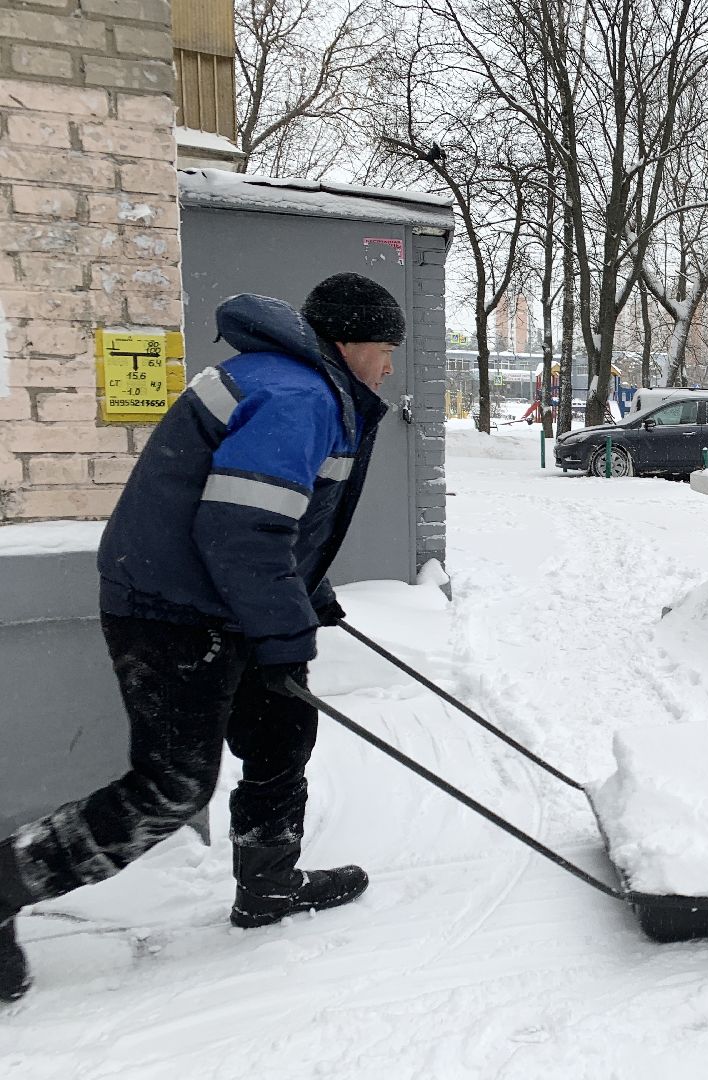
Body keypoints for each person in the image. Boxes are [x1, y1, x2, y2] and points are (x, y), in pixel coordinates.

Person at [0, 273, 405, 1004]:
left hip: (214, 598)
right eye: (386, 350)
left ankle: (270, 885)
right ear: (351, 343)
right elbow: (239, 529)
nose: (389, 367)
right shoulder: (300, 394)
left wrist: (299, 591)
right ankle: (4, 881)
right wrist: (284, 627)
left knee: (282, 728)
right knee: (172, 785)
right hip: (175, 609)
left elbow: (271, 517)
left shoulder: (297, 382)